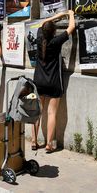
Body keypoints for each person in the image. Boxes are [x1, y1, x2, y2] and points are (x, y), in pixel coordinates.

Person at [32, 10, 75, 153]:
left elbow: (44, 23)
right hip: (53, 82)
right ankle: (49, 144)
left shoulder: (39, 37)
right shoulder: (56, 41)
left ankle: (33, 141)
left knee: (37, 112)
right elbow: (71, 27)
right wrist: (70, 14)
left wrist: (58, 15)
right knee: (51, 113)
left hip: (38, 81)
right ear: (54, 32)